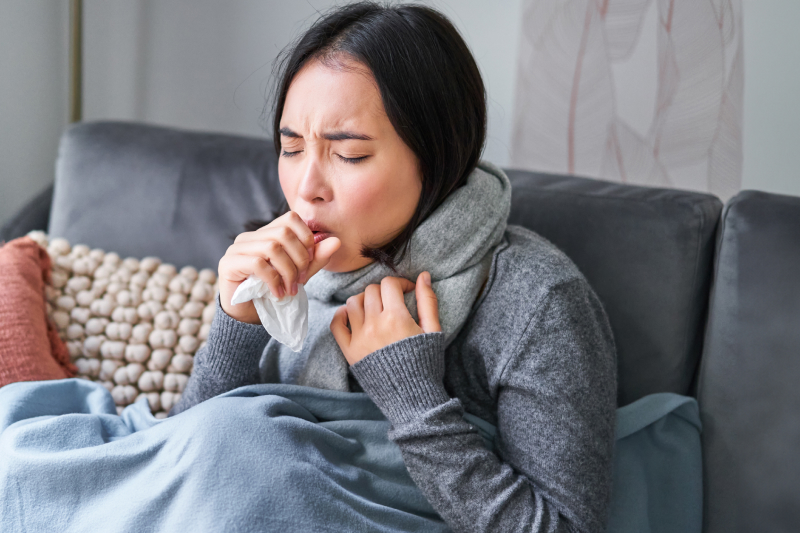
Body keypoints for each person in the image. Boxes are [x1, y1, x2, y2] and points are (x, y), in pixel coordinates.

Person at [171, 2, 617, 532]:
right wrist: (235, 323)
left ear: (436, 157)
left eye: (350, 155)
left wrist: (412, 397)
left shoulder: (535, 301)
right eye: (291, 149)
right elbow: (186, 468)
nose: (306, 187)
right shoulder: (282, 264)